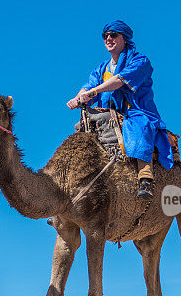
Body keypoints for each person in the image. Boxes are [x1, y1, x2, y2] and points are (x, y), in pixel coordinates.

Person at [66, 20, 174, 200]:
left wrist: (93, 92)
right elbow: (89, 85)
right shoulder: (101, 68)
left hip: (135, 111)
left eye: (113, 34)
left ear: (124, 38)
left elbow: (119, 81)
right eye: (105, 36)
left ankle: (145, 178)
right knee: (80, 133)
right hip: (106, 113)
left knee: (139, 127)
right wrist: (77, 98)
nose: (109, 38)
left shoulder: (140, 61)